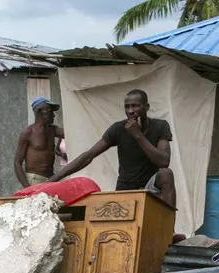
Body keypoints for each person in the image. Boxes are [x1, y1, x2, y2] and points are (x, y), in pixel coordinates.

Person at [48, 89, 176, 208]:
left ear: (146, 107)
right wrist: (53, 179)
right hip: (126, 188)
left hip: (150, 187)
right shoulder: (118, 128)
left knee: (166, 174)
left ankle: (170, 229)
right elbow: (89, 155)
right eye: (127, 106)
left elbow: (163, 162)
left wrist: (138, 135)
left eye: (135, 106)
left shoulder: (160, 126)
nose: (130, 111)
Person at [14, 98, 65, 188]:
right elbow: (17, 162)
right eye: (50, 112)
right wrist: (27, 187)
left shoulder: (52, 130)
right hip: (34, 180)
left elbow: (69, 133)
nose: (53, 115)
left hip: (51, 179)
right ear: (40, 112)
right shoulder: (28, 133)